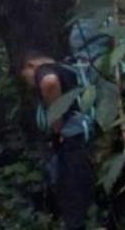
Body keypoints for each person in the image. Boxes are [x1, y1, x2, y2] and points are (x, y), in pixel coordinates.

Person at [21, 50, 95, 230]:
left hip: (72, 142)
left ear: (30, 66)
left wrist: (57, 126)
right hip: (86, 140)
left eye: (25, 77)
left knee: (73, 203)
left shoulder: (45, 69)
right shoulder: (70, 70)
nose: (29, 82)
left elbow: (49, 83)